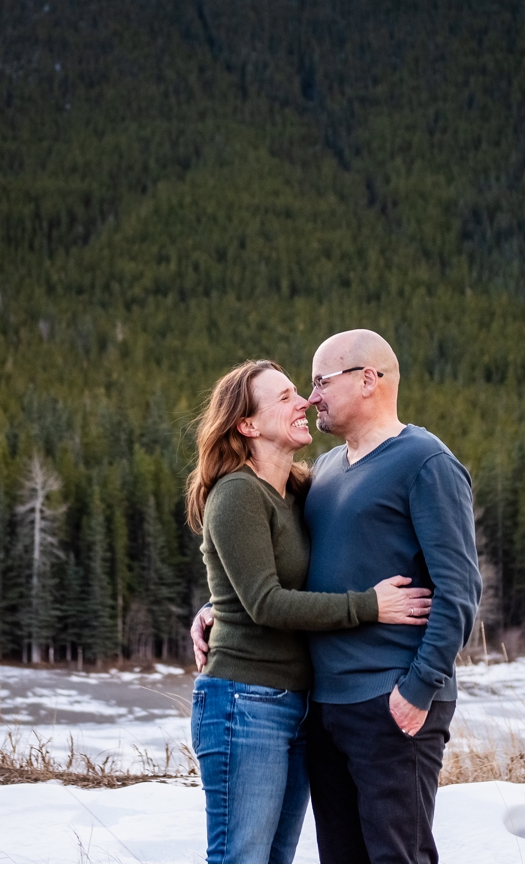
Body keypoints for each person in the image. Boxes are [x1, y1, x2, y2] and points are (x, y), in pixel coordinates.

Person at [194, 331, 481, 863]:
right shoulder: (321, 473)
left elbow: (460, 591)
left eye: (321, 381)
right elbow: (276, 572)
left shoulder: (425, 461)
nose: (311, 397)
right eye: (303, 388)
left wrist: (419, 689)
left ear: (368, 380)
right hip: (324, 710)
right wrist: (218, 608)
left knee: (397, 857)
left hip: (392, 704)